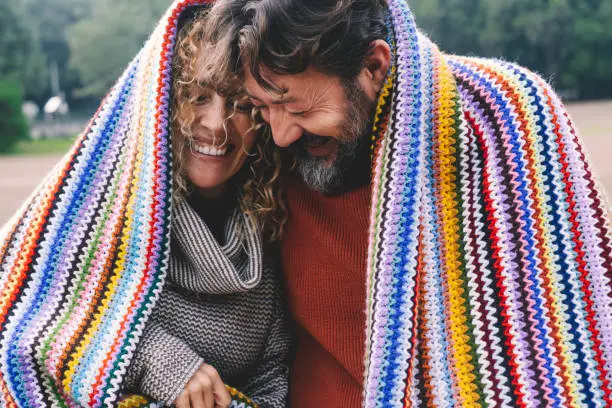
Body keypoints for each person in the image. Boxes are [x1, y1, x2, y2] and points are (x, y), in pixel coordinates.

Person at [207, 0, 612, 407]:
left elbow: (562, 343)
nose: (280, 134)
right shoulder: (262, 159)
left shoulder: (504, 120)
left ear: (373, 66)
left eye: (300, 108)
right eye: (262, 106)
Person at [0, 3, 289, 408]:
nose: (217, 123)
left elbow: (273, 376)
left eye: (241, 105)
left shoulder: (269, 228)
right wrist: (155, 358)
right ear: (161, 102)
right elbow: (21, 308)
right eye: (197, 96)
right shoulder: (94, 210)